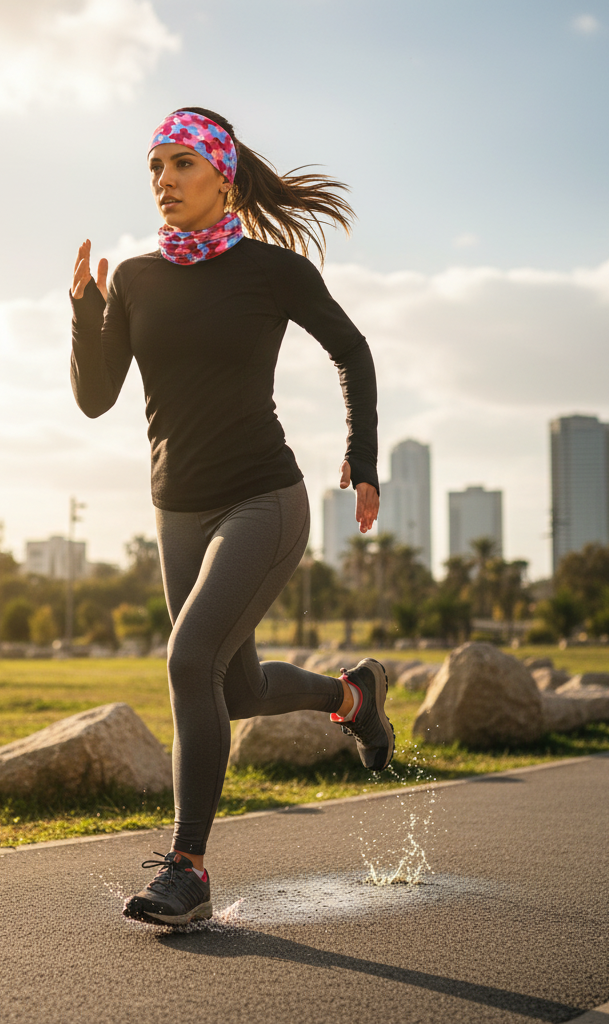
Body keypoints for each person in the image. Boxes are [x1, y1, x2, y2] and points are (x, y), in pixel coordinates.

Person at [69, 108, 393, 927]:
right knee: (236, 686)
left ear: (221, 175)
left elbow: (351, 350)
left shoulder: (270, 270)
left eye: (180, 164)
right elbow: (97, 398)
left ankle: (190, 869)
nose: (164, 182)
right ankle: (352, 698)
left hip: (263, 498)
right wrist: (84, 309)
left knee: (187, 660)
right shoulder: (137, 279)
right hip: (178, 508)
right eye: (154, 168)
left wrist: (363, 455)